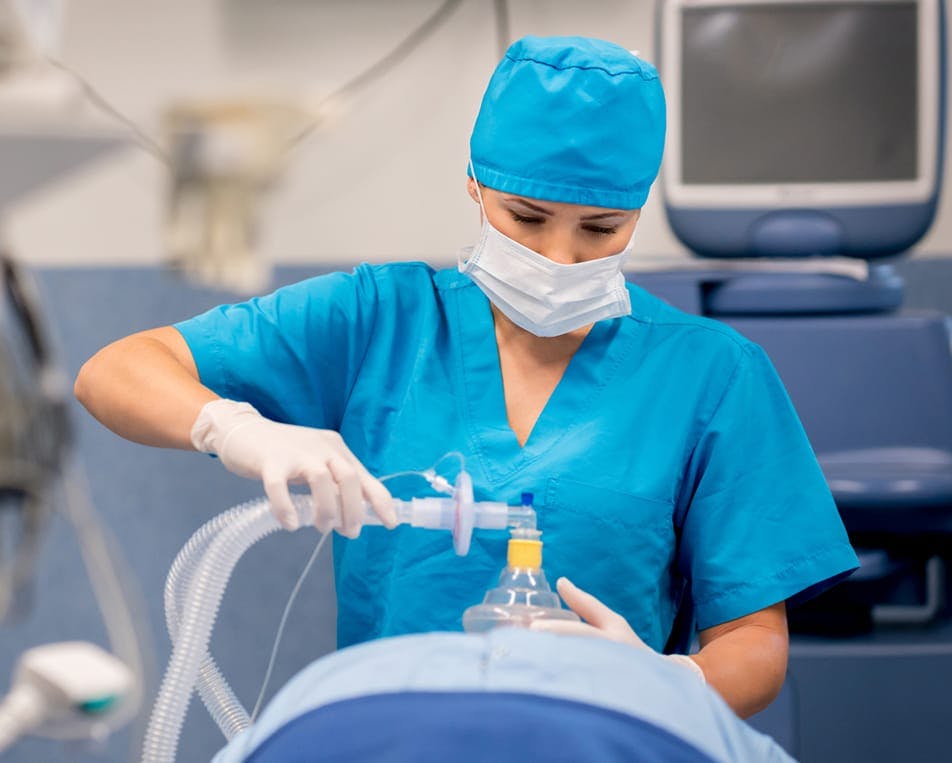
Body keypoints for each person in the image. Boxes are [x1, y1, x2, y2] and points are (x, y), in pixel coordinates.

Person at [74, 35, 858, 719]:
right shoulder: (377, 319)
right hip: (393, 744)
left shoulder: (711, 375)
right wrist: (238, 429)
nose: (558, 256)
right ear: (476, 184)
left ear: (637, 209)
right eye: (526, 217)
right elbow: (115, 372)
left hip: (601, 746)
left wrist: (663, 680)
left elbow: (754, 646)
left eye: (599, 228)